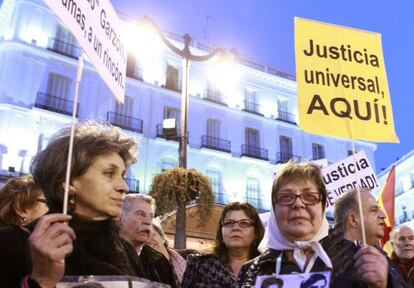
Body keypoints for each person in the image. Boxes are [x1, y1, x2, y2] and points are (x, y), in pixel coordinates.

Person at [0, 121, 146, 288]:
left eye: (123, 176)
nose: (124, 187)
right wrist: (41, 281)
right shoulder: (12, 243)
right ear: (67, 182)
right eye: (109, 173)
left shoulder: (126, 250)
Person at [239, 162, 408, 288]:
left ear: (322, 206)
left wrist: (385, 283)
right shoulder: (251, 271)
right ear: (274, 209)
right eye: (286, 197)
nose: (298, 204)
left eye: (309, 196)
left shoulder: (361, 257)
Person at [329, 188, 409, 287]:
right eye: (374, 210)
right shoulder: (338, 268)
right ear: (353, 220)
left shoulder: (378, 254)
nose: (383, 215)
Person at [182, 201, 265, 288]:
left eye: (244, 223)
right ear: (221, 230)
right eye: (229, 223)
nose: (236, 228)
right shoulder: (199, 264)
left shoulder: (267, 267)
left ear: (256, 232)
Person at [119, 193, 178, 288]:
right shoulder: (101, 254)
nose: (148, 221)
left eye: (151, 216)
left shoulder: (160, 262)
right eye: (140, 214)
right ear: (120, 217)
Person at [148, 218, 187, 284]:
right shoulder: (146, 268)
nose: (148, 240)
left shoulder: (188, 258)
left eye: (152, 235)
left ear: (162, 237)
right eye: (145, 237)